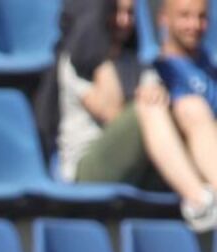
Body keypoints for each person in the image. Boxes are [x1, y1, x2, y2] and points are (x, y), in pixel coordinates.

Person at [37, 0, 217, 230]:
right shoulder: (75, 61)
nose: (124, 20)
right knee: (148, 106)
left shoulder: (137, 64)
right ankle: (200, 202)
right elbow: (111, 111)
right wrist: (106, 57)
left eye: (130, 13)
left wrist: (159, 97)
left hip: (137, 167)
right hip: (87, 170)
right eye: (116, 12)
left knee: (191, 106)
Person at [154, 0, 217, 201]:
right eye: (185, 16)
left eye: (201, 17)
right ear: (164, 18)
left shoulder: (210, 66)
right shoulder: (160, 73)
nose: (195, 25)